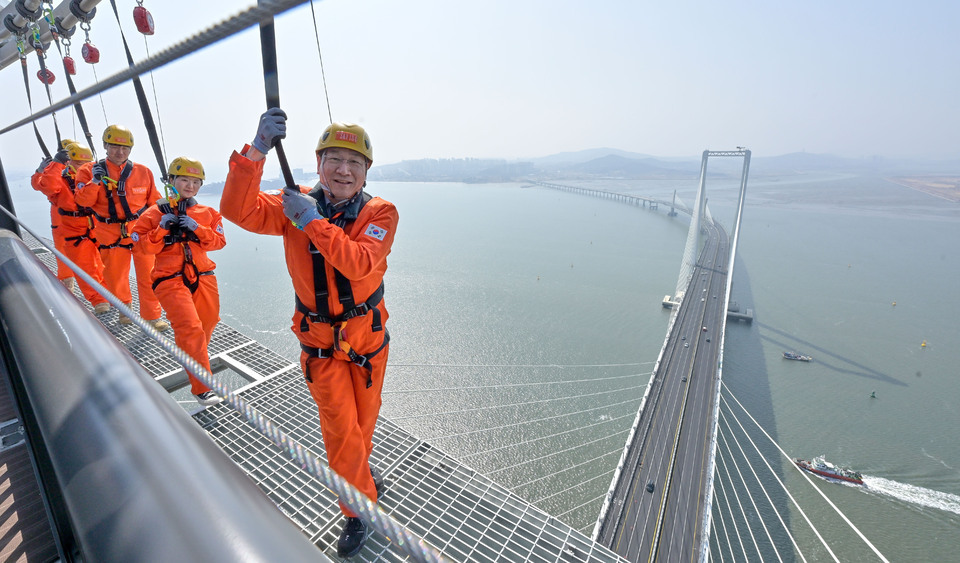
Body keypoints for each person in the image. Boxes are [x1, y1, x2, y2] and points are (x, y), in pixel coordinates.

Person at [220, 109, 397, 558]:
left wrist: (311, 221)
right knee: (341, 432)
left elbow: (358, 262)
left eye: (353, 162)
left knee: (362, 427)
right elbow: (235, 210)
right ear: (318, 165)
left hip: (368, 345)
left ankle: (359, 479)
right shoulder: (291, 203)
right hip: (322, 348)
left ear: (365, 172)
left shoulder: (381, 213)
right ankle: (357, 511)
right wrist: (257, 150)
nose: (343, 169)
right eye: (333, 159)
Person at [133, 157, 226, 406]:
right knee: (190, 327)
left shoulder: (207, 213)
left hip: (203, 276)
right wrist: (161, 229)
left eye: (196, 181)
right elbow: (141, 248)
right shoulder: (154, 214)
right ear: (172, 181)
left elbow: (218, 242)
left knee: (208, 321)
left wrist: (198, 228)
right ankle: (202, 388)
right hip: (169, 279)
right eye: (185, 179)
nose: (190, 185)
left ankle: (191, 355)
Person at [75, 125, 169, 330]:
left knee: (149, 275)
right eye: (115, 146)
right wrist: (95, 181)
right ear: (105, 146)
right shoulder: (87, 171)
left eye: (125, 147)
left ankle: (153, 316)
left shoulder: (143, 172)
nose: (120, 152)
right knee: (116, 277)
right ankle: (124, 310)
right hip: (109, 233)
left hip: (139, 231)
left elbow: (153, 203)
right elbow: (82, 201)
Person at [36, 142, 109, 313]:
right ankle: (98, 299)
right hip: (73, 228)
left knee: (104, 264)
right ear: (68, 162)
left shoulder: (95, 176)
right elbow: (47, 187)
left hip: (96, 225)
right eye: (78, 163)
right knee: (84, 265)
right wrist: (52, 165)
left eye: (86, 163)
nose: (83, 167)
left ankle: (107, 293)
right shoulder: (59, 177)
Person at [31, 140, 80, 292]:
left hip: (82, 217)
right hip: (62, 217)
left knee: (91, 253)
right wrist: (40, 171)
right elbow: (43, 186)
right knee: (62, 250)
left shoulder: (81, 167)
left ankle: (98, 288)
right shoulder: (55, 169)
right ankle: (67, 283)